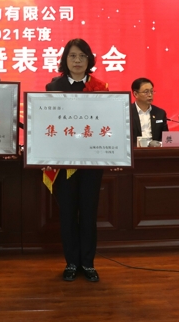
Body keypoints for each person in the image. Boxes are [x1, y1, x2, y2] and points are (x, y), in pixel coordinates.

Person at [45, 38, 108, 283]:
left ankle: (88, 263)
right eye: (72, 56)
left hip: (91, 161)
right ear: (65, 59)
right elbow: (47, 123)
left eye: (82, 56)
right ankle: (71, 262)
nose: (78, 60)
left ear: (89, 60)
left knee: (89, 213)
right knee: (68, 213)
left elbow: (107, 123)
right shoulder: (53, 87)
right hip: (64, 163)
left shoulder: (100, 87)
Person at [130, 77, 168, 144]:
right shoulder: (127, 113)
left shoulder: (160, 113)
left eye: (151, 91)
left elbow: (165, 138)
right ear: (135, 94)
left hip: (155, 149)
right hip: (135, 149)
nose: (150, 95)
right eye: (146, 92)